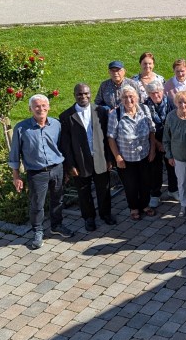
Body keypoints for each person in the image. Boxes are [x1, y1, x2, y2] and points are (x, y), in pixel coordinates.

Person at [10, 94, 74, 250]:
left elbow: (61, 147)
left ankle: (56, 226)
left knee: (57, 200)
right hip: (37, 173)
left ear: (49, 107)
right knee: (37, 205)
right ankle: (38, 231)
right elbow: (14, 154)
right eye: (37, 106)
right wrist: (16, 176)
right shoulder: (21, 128)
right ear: (30, 109)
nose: (41, 109)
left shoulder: (56, 125)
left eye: (44, 105)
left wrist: (65, 170)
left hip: (57, 168)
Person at [59, 83, 114, 232]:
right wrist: (70, 165)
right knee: (83, 191)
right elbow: (66, 144)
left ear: (90, 94)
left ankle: (105, 214)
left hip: (100, 157)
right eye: (79, 94)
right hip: (80, 160)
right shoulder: (66, 116)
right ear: (74, 95)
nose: (83, 97)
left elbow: (107, 138)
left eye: (86, 93)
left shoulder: (101, 111)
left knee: (104, 188)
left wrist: (109, 159)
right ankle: (89, 218)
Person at [107, 86, 157, 221]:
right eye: (125, 97)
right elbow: (111, 137)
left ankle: (145, 205)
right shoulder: (115, 114)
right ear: (121, 99)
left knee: (146, 182)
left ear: (137, 98)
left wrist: (152, 150)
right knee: (131, 185)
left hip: (144, 154)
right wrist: (117, 156)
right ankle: (134, 207)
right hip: (126, 157)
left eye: (131, 97)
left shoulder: (145, 109)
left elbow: (152, 130)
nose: (129, 100)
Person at [144, 81, 176, 209]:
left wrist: (166, 143)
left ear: (163, 91)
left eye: (158, 92)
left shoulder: (171, 103)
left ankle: (173, 189)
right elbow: (145, 126)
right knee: (154, 169)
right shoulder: (145, 106)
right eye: (153, 93)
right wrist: (157, 143)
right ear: (148, 94)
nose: (156, 95)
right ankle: (155, 194)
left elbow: (174, 122)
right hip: (153, 142)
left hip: (170, 140)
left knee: (171, 166)